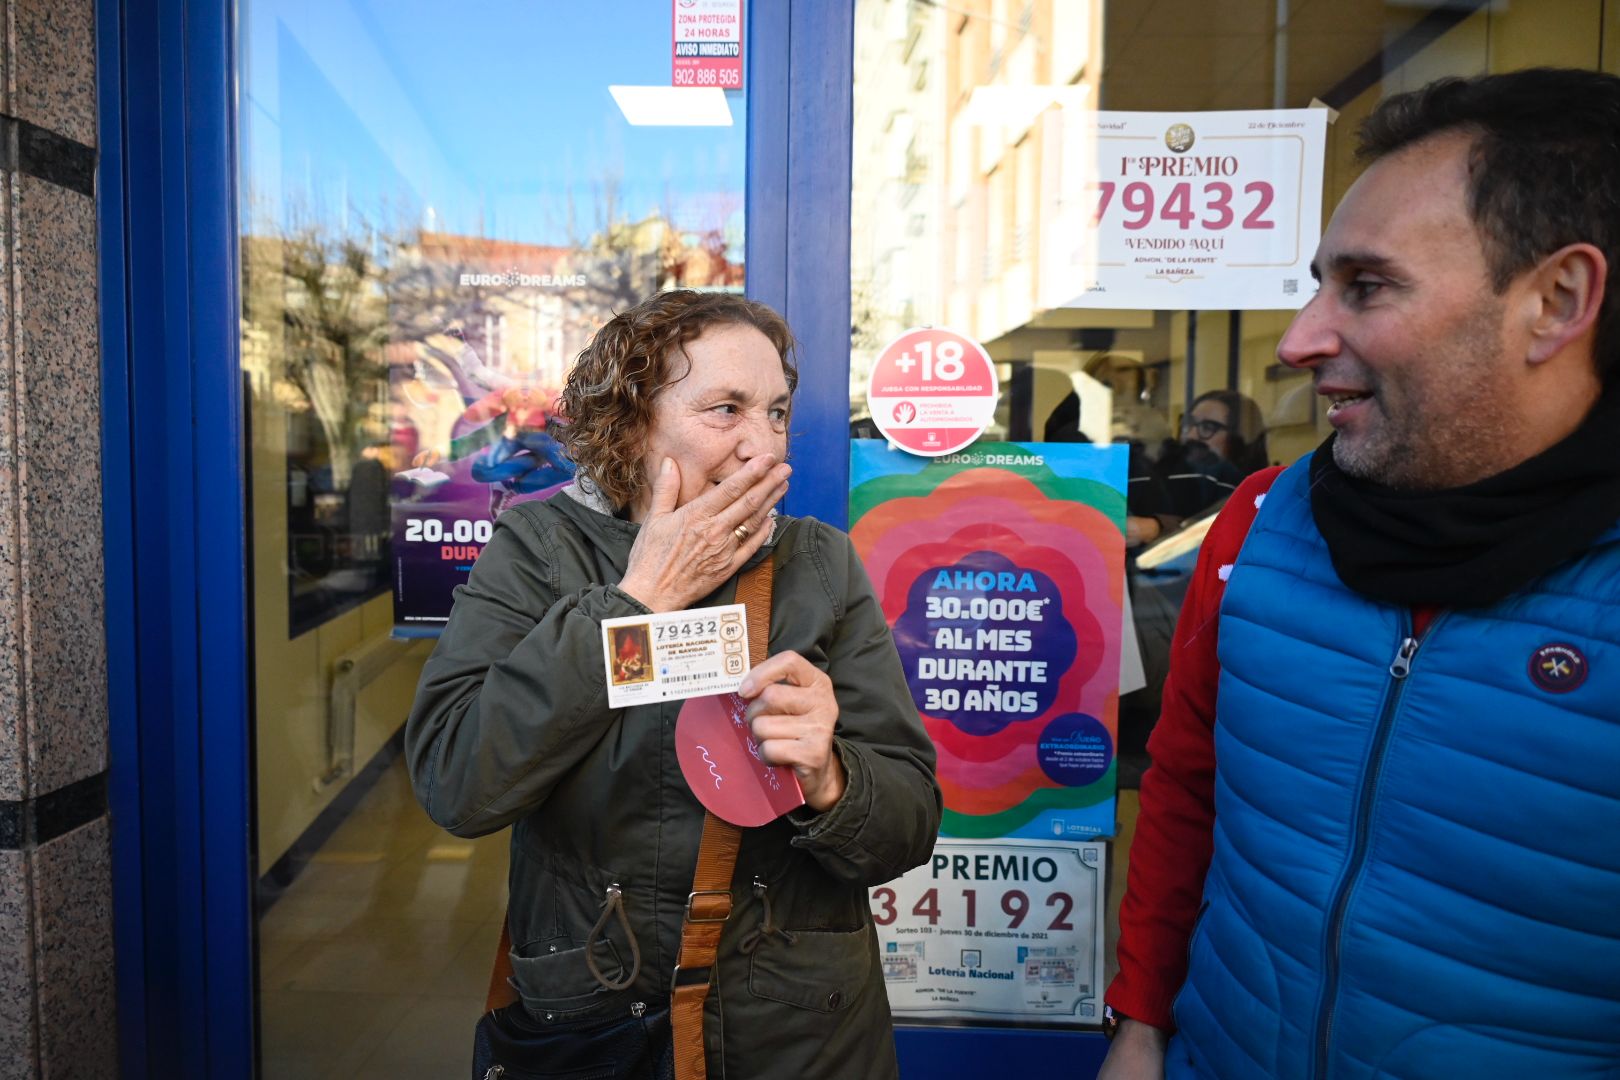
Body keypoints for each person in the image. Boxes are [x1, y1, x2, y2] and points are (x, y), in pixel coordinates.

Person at [1101, 67, 1620, 1079]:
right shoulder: (1260, 522)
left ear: (1556, 301)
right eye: (1314, 283)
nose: (1299, 340)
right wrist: (1143, 1026)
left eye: (1367, 287)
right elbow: (1188, 791)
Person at [405, 290, 941, 1078]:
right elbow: (458, 783)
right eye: (725, 409)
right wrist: (637, 600)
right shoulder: (539, 550)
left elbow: (910, 822)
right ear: (630, 424)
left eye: (778, 412)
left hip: (798, 1033)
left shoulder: (819, 565)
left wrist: (832, 777)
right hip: (599, 1015)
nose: (764, 449)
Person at [1125, 389, 1269, 548]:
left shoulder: (1248, 489)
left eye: (1207, 427)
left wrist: (1157, 528)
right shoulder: (1164, 473)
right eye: (1189, 424)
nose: (1191, 435)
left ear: (1237, 439)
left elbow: (1223, 535)